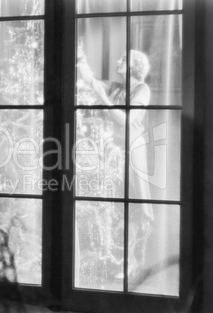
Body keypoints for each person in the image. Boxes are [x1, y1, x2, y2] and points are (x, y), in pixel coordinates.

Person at [77, 49, 154, 279]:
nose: (118, 60)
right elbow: (90, 80)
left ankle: (131, 261)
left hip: (131, 151)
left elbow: (129, 121)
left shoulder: (142, 89)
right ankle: (119, 257)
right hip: (113, 150)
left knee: (132, 205)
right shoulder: (116, 87)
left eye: (123, 58)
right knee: (115, 204)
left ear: (134, 65)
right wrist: (80, 56)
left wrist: (104, 100)